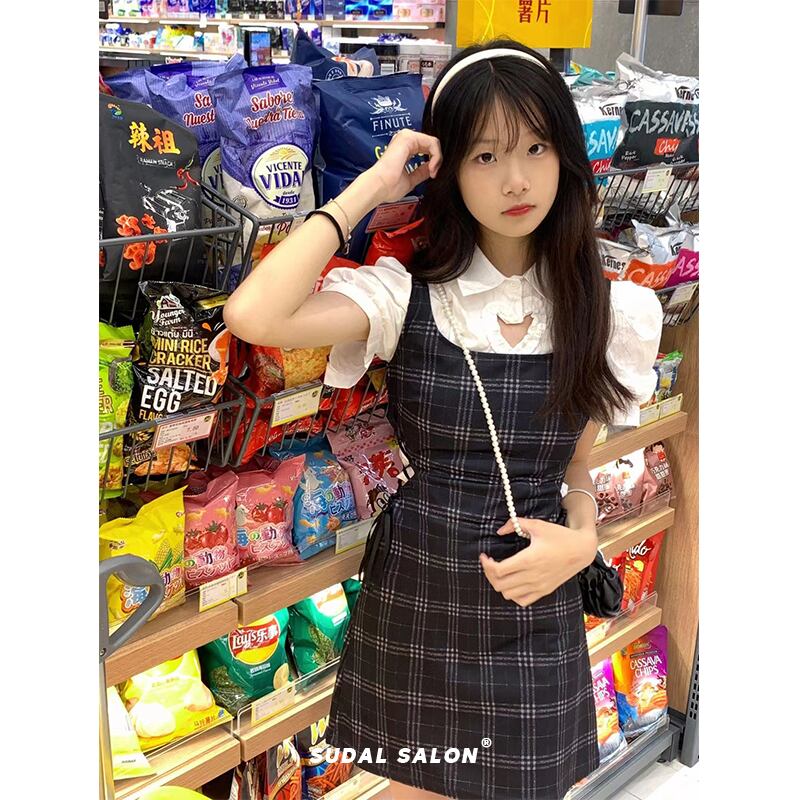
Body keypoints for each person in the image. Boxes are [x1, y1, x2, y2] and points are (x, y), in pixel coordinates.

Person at [224, 39, 663, 800]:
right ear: (450, 169)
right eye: (485, 155)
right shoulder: (405, 296)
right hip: (421, 595)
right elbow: (255, 314)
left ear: (566, 155)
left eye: (536, 147)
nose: (516, 179)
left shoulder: (608, 309)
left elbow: (575, 465)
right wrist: (373, 184)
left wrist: (583, 541)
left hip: (536, 595)